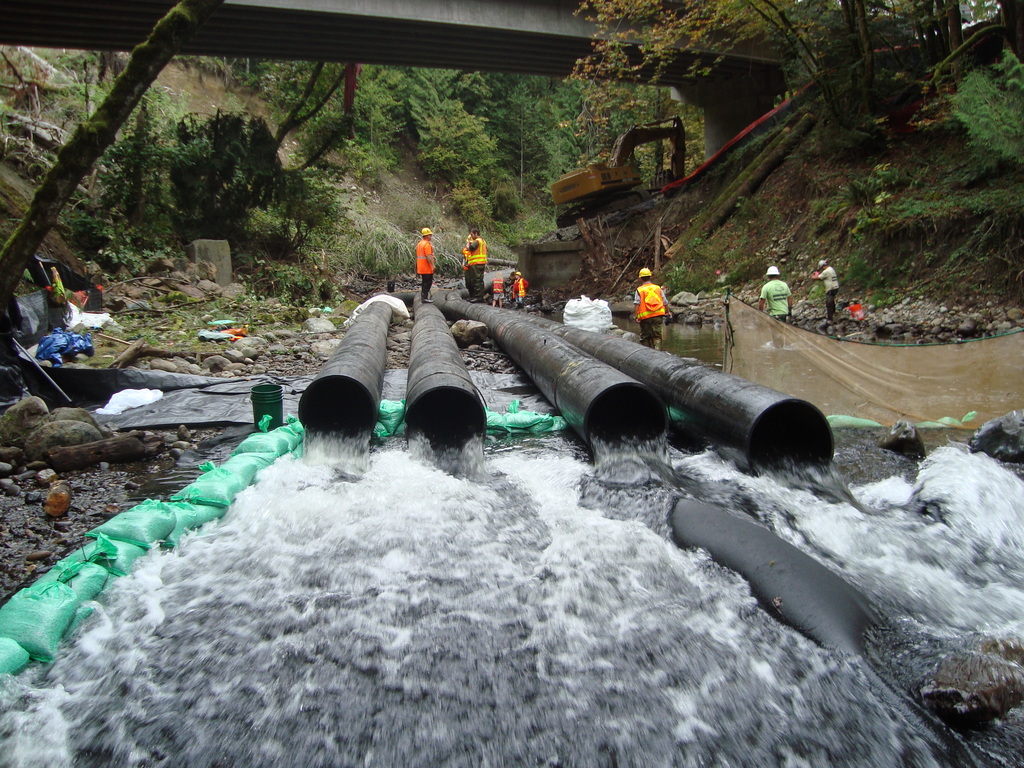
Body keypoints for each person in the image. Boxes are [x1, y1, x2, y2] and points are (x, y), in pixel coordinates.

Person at [633, 268, 671, 349]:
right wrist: (668, 312)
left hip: (645, 317)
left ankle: (647, 353)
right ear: (650, 277)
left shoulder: (639, 290)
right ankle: (657, 351)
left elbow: (637, 303)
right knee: (657, 335)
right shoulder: (657, 288)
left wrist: (635, 316)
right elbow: (665, 301)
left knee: (645, 336)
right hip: (658, 315)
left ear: (640, 278)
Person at [462, 227, 488, 302]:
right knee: (479, 280)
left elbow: (470, 248)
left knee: (476, 280)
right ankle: (478, 296)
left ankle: (478, 297)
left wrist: (468, 242)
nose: (471, 236)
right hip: (481, 263)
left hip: (476, 263)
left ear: (476, 234)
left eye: (472, 234)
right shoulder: (483, 241)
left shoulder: (477, 241)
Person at [813, 257, 839, 322]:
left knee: (829, 303)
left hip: (831, 288)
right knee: (832, 302)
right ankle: (833, 314)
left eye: (821, 268)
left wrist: (814, 275)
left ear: (822, 266)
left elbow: (816, 278)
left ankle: (830, 319)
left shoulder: (826, 271)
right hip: (835, 287)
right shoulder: (831, 269)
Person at [416, 227, 435, 303]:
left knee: (424, 282)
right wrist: (433, 265)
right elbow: (428, 256)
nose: (431, 236)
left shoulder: (420, 243)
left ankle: (423, 297)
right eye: (430, 235)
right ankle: (425, 298)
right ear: (426, 236)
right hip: (426, 267)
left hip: (421, 267)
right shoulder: (426, 244)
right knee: (428, 282)